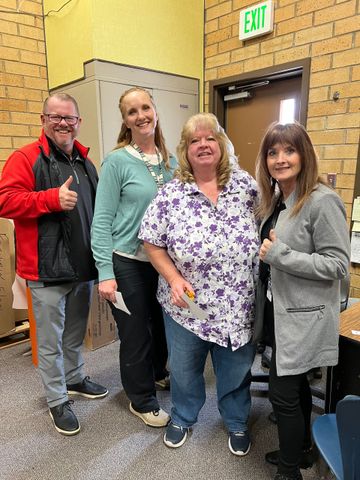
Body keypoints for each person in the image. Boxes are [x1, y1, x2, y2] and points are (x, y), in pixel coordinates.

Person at [139, 113, 259, 453]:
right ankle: (183, 417)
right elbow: (151, 241)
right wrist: (173, 277)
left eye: (209, 138)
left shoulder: (246, 186)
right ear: (186, 150)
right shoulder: (171, 194)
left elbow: (268, 225)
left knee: (235, 370)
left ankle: (236, 421)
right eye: (194, 141)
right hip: (186, 305)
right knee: (184, 369)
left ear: (220, 145)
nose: (203, 145)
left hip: (237, 303)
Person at [0, 93, 108, 436]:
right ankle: (56, 399)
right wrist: (50, 199)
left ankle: (74, 378)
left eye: (70, 118)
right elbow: (4, 200)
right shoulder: (26, 158)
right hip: (46, 270)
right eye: (56, 117)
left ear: (79, 122)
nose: (63, 123)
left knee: (75, 332)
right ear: (44, 120)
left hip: (82, 267)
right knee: (49, 341)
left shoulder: (86, 163)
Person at [254, 122, 350, 480]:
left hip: (304, 316)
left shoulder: (322, 200)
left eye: (289, 150)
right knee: (295, 387)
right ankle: (304, 451)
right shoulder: (281, 197)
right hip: (282, 310)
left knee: (282, 394)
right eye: (272, 152)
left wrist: (280, 254)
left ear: (303, 154)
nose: (280, 159)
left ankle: (290, 471)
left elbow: (337, 265)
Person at [91, 87, 177, 428]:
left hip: (162, 262)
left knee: (160, 326)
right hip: (126, 261)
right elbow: (101, 220)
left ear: (155, 110)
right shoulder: (116, 161)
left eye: (145, 107)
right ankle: (141, 400)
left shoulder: (171, 162)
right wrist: (104, 272)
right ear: (125, 121)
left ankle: (156, 372)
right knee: (136, 332)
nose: (140, 115)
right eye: (132, 111)